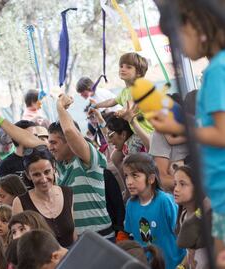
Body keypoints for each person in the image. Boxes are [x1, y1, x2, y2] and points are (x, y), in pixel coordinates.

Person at [148, 1, 225, 266]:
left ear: (196, 25)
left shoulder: (217, 70)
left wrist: (179, 128)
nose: (177, 47)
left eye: (176, 36)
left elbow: (222, 135)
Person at [0, 93, 113, 239]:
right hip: (79, 241)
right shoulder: (58, 164)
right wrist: (1, 121)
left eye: (53, 142)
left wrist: (60, 107)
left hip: (102, 238)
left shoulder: (89, 159)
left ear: (68, 142)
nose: (49, 146)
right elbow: (28, 139)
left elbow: (70, 132)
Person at [122, 153, 185, 269]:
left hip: (173, 265)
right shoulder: (130, 205)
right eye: (126, 176)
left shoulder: (164, 201)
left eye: (135, 175)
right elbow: (130, 236)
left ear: (151, 179)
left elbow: (182, 234)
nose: (129, 182)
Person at [12, 146, 75, 248]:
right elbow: (20, 245)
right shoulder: (20, 202)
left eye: (47, 172)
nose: (44, 179)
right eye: (37, 175)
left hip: (71, 259)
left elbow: (73, 235)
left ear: (53, 169)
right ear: (28, 175)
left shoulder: (67, 193)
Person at [90, 52, 154, 134]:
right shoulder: (124, 91)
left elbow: (132, 103)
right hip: (138, 133)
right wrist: (96, 105)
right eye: (121, 66)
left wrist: (122, 111)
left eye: (128, 67)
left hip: (151, 132)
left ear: (139, 73)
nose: (122, 69)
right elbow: (112, 101)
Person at [173, 165, 210, 269]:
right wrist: (182, 266)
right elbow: (189, 251)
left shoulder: (207, 220)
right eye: (175, 184)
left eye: (182, 184)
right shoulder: (183, 215)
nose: (176, 189)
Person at [0, 120, 37, 189]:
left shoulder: (41, 158)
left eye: (36, 135)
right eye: (30, 136)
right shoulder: (5, 165)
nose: (36, 139)